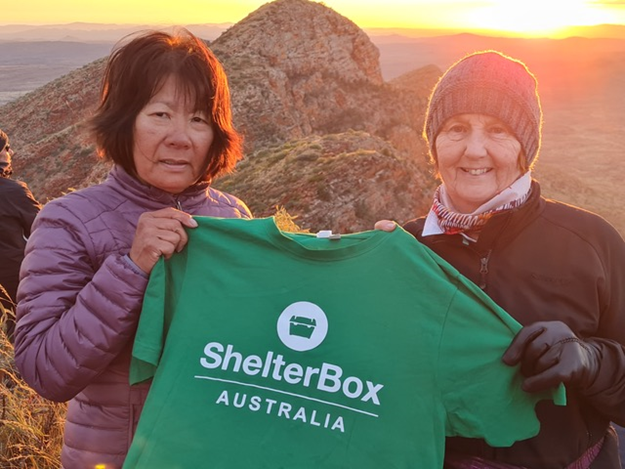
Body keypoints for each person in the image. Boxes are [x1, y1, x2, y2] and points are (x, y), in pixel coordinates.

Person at [13, 29, 251, 468]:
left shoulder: (233, 216)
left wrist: (376, 258)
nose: (181, 137)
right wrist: (131, 267)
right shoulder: (68, 221)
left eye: (199, 120)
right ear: (124, 121)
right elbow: (44, 370)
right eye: (161, 114)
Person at [376, 50, 625, 468]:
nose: (474, 150)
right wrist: (359, 272)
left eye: (498, 130)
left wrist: (591, 360)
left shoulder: (592, 242)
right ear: (434, 144)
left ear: (526, 149)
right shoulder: (403, 249)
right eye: (456, 129)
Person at [0, 130, 41, 341]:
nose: (11, 152)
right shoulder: (12, 192)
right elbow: (47, 230)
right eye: (6, 148)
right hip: (15, 285)